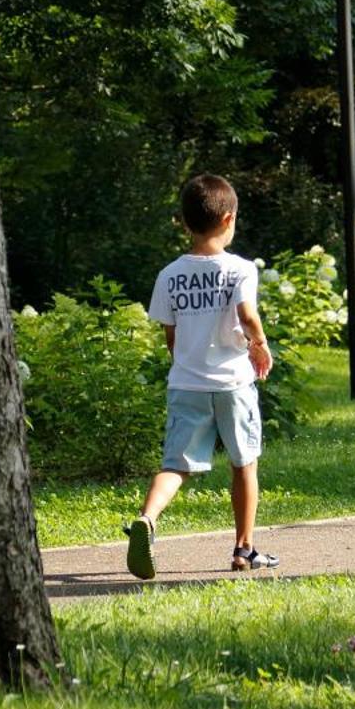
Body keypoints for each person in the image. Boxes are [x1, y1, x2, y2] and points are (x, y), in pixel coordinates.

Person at [123, 175, 277, 579]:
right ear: (229, 219)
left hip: (187, 384)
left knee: (177, 465)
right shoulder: (239, 268)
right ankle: (244, 549)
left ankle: (148, 520)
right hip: (233, 383)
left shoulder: (169, 275)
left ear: (185, 222)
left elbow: (171, 338)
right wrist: (259, 344)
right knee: (244, 464)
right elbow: (247, 316)